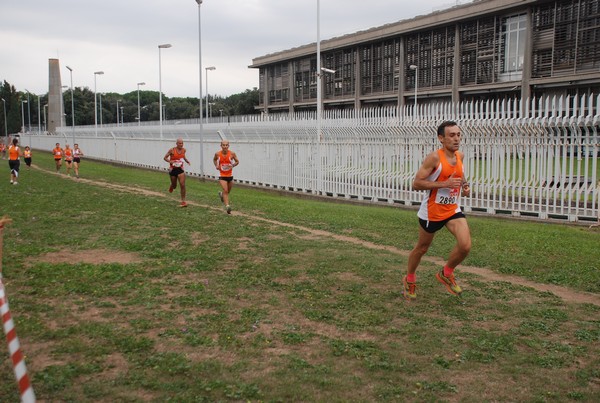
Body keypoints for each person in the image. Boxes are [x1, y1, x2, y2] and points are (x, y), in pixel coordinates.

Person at [403, 121, 472, 300]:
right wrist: (444, 184)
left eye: (458, 134)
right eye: (452, 135)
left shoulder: (460, 156)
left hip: (452, 209)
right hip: (432, 212)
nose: (456, 138)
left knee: (465, 246)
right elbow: (416, 183)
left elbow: (459, 173)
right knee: (422, 248)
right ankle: (410, 278)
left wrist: (464, 185)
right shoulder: (434, 158)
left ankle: (446, 273)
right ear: (441, 138)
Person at [213, 140, 239, 214]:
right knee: (225, 190)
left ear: (228, 146)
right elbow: (214, 159)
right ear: (221, 146)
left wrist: (233, 165)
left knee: (227, 192)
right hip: (222, 175)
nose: (225, 146)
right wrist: (216, 165)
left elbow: (237, 161)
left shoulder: (232, 154)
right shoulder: (217, 154)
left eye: (226, 145)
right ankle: (227, 206)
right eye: (223, 145)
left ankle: (221, 195)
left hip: (230, 175)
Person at [164, 138, 191, 207]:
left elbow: (183, 156)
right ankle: (172, 185)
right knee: (174, 186)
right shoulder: (172, 150)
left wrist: (187, 161)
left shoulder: (184, 150)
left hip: (180, 169)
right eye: (179, 143)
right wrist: (170, 161)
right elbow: (165, 157)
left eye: (182, 143)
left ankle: (183, 201)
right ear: (176, 144)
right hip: (173, 169)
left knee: (182, 185)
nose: (181, 145)